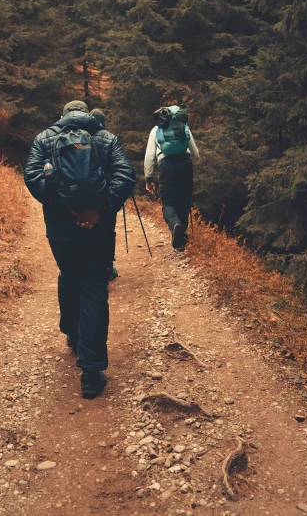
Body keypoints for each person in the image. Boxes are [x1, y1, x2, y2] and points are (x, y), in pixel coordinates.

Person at [24, 100, 136, 399]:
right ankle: (90, 373)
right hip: (97, 229)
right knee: (94, 286)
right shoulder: (107, 138)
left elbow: (33, 178)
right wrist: (98, 211)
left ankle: (72, 332)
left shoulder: (45, 138)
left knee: (69, 274)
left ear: (62, 117)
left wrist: (66, 209)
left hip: (60, 230)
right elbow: (125, 175)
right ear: (87, 115)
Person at [144, 105, 199, 251]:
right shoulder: (183, 125)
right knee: (184, 200)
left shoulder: (156, 130)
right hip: (185, 163)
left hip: (166, 165)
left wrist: (149, 178)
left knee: (168, 202)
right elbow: (196, 154)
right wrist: (187, 162)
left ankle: (175, 224)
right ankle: (181, 239)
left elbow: (149, 156)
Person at [90, 108, 119, 282]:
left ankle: (91, 266)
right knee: (108, 230)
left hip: (87, 191)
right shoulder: (109, 138)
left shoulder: (80, 137)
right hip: (107, 192)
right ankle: (107, 267)